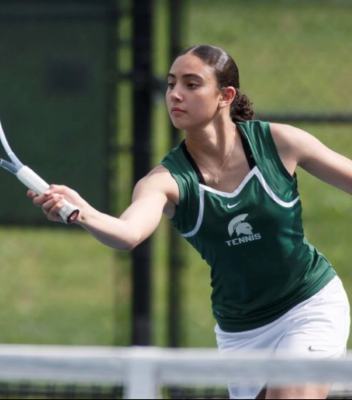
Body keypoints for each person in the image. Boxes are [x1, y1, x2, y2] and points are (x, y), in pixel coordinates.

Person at [28, 45, 351, 400]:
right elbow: (128, 233)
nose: (175, 95)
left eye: (191, 84)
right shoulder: (166, 181)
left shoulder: (279, 143)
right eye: (170, 84)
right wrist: (82, 212)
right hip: (241, 330)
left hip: (308, 305)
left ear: (225, 96)